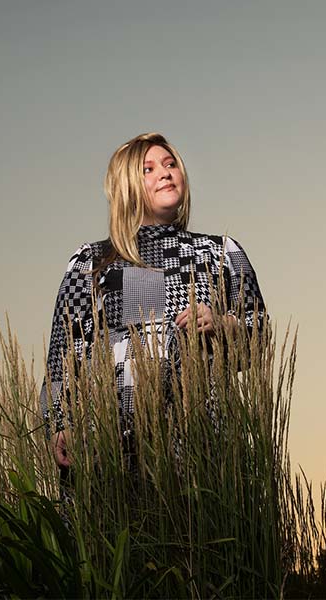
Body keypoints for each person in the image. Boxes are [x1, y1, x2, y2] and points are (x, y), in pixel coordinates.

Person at [39, 132, 266, 475]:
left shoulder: (220, 252)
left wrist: (221, 323)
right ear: (126, 186)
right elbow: (63, 353)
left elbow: (258, 336)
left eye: (170, 163)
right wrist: (59, 422)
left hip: (200, 442)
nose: (165, 172)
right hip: (110, 444)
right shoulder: (92, 260)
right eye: (148, 169)